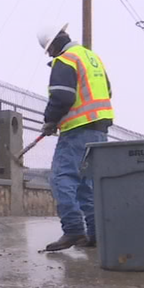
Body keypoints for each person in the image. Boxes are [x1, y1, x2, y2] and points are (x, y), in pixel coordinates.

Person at [36, 24, 114, 251]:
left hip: (78, 130)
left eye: (49, 51)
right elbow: (108, 91)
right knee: (87, 185)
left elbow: (62, 96)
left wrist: (50, 120)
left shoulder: (66, 60)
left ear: (53, 45)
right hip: (99, 129)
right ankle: (96, 234)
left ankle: (73, 230)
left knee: (61, 178)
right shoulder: (91, 58)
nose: (50, 56)